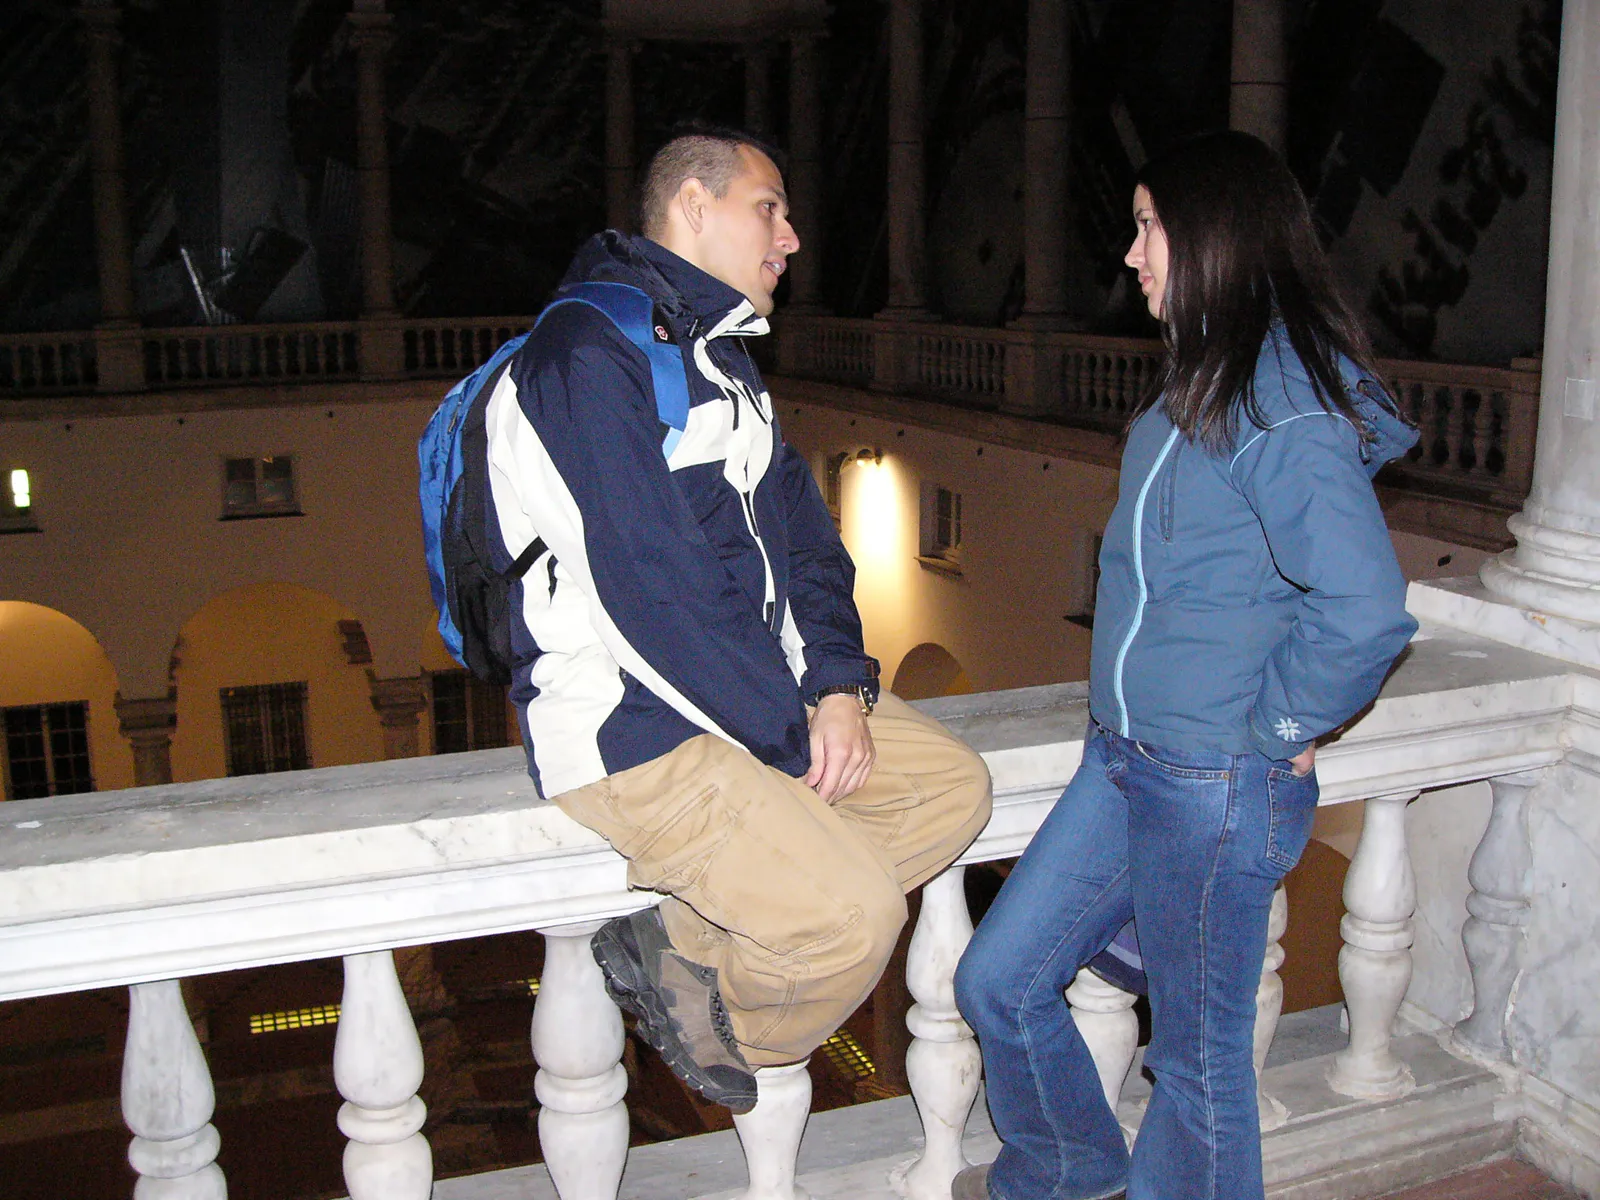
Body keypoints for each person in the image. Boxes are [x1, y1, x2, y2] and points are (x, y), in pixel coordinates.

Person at [483, 127, 992, 1114]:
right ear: (691, 207)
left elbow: (805, 535)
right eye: (770, 206)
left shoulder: (714, 355)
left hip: (743, 700)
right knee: (851, 921)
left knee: (952, 793)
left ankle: (680, 945)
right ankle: (722, 1028)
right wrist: (786, 733)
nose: (791, 236)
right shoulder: (581, 360)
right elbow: (652, 593)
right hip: (630, 730)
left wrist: (838, 683)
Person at [951, 130, 1420, 1200]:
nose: (1131, 253)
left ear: (1215, 235)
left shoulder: (1277, 401)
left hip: (1209, 783)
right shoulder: (1199, 388)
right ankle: (1070, 1173)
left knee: (1198, 1070)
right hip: (1125, 763)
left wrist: (1280, 730)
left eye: (1149, 224)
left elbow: (1361, 611)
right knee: (997, 977)